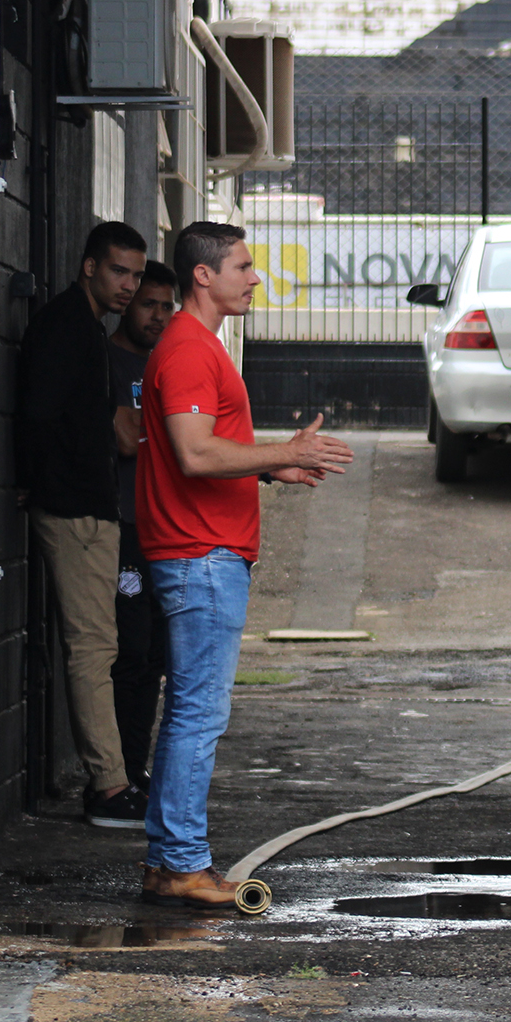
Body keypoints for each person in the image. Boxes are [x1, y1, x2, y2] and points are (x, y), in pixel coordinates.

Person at [137, 223, 356, 910]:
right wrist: (279, 450)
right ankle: (179, 863)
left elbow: (206, 454)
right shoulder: (189, 351)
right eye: (243, 265)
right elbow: (196, 454)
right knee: (198, 714)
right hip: (201, 554)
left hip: (204, 551)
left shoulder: (197, 346)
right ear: (204, 276)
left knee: (192, 713)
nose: (254, 277)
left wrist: (274, 466)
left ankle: (171, 859)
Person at [16, 221, 150, 828]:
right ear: (90, 266)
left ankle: (112, 781)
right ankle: (108, 786)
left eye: (137, 274)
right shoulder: (66, 325)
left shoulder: (81, 327)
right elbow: (37, 415)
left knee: (98, 645)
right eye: (119, 271)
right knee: (95, 647)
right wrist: (42, 484)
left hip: (84, 504)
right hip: (75, 508)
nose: (129, 285)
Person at [109, 262, 178, 791]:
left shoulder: (170, 364)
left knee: (157, 655)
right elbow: (126, 439)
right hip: (122, 527)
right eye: (147, 304)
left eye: (165, 306)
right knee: (129, 653)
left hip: (164, 532)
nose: (158, 316)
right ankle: (121, 774)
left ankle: (139, 770)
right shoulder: (108, 361)